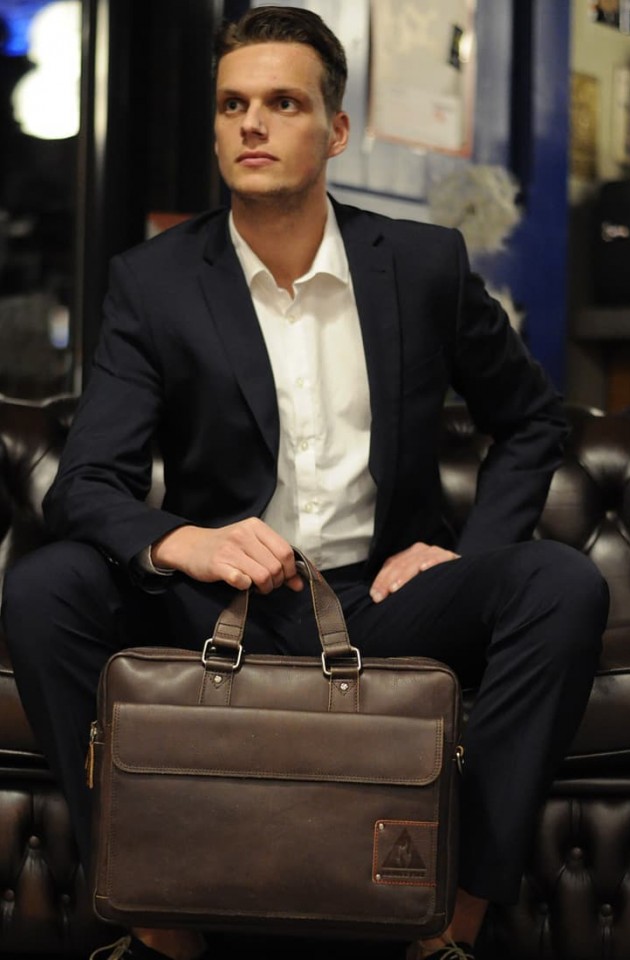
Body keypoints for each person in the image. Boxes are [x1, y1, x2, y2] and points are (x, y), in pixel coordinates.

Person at [1, 7, 609, 960]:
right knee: (46, 586)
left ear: (336, 131)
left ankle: (449, 920)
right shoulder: (155, 283)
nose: (252, 123)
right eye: (232, 105)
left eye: (283, 103)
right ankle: (158, 921)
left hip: (380, 601)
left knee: (563, 584)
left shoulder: (421, 265)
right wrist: (183, 541)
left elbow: (532, 419)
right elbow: (85, 484)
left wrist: (460, 555)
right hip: (217, 607)